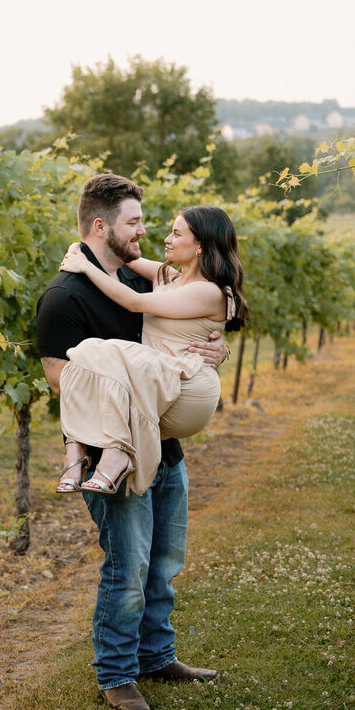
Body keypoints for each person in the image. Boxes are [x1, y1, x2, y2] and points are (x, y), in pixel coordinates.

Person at [35, 173, 227, 710]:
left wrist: (212, 354)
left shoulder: (146, 286)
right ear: (102, 226)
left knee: (163, 561)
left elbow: (182, 337)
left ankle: (156, 655)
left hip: (165, 447)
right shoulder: (64, 296)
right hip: (111, 453)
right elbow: (60, 381)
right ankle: (117, 673)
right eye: (135, 222)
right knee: (128, 565)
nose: (145, 231)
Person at [54, 204, 249, 497]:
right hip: (156, 384)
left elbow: (134, 302)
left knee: (108, 351)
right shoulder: (169, 276)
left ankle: (116, 455)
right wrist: (82, 246)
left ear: (200, 246)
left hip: (187, 392)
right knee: (83, 353)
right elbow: (124, 256)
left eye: (175, 233)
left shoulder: (208, 291)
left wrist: (85, 266)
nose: (167, 240)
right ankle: (77, 452)